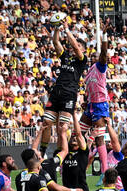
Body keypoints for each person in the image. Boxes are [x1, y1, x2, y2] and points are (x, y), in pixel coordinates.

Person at [40, 19, 87, 157]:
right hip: (56, 93)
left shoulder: (81, 60)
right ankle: (42, 151)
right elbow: (55, 43)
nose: (73, 46)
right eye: (74, 44)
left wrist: (67, 30)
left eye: (77, 45)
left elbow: (76, 48)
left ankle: (60, 154)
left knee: (62, 127)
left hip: (69, 95)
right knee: (47, 123)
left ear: (83, 49)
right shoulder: (65, 57)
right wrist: (56, 29)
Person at [80, 22, 110, 187]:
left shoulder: (100, 67)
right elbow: (89, 89)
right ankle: (76, 164)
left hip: (100, 105)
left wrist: (103, 36)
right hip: (91, 104)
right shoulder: (90, 71)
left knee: (98, 139)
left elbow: (104, 53)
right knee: (78, 134)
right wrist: (85, 101)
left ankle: (105, 172)